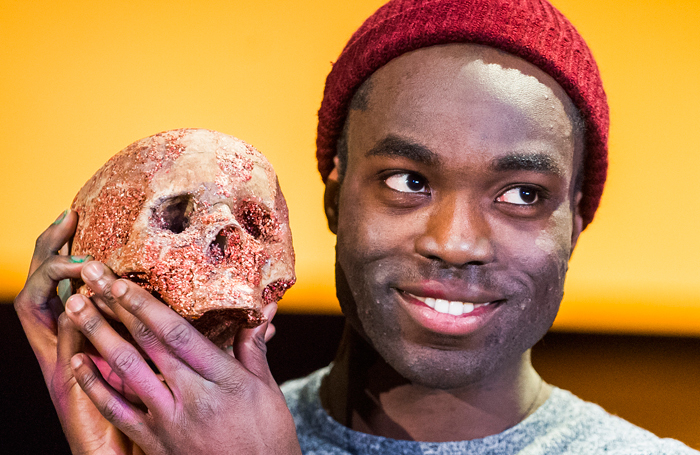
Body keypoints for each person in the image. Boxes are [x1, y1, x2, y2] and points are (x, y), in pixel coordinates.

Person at [14, 0, 698, 453]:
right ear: (333, 195)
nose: (455, 242)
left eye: (522, 192)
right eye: (408, 180)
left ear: (577, 217)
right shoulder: (185, 436)